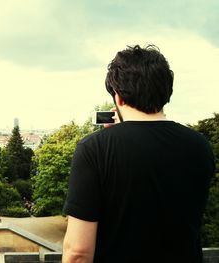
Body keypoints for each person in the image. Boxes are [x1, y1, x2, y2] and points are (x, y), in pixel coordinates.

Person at [62, 45, 214, 263]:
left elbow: (78, 253)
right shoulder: (200, 145)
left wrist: (111, 141)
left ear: (119, 98)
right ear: (166, 92)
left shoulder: (94, 149)